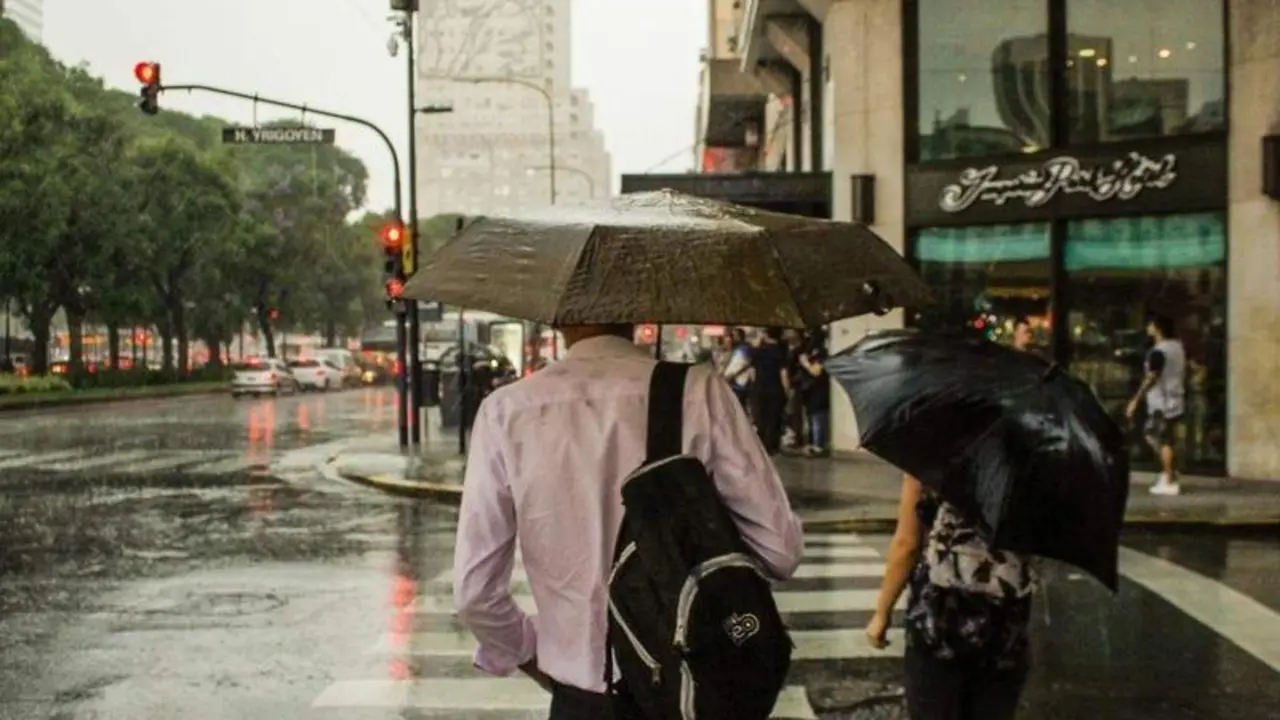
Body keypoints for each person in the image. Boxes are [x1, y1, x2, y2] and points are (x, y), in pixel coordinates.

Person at [452, 323, 804, 719]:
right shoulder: (697, 392)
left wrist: (532, 652)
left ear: (556, 318)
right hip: (690, 690)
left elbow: (475, 594)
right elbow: (780, 550)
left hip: (582, 700)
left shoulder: (506, 411)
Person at [867, 475, 1036, 719]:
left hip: (941, 618)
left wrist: (882, 614)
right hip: (1005, 623)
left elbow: (907, 544)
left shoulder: (931, 458)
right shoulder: (1033, 467)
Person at [1126, 314, 1186, 496]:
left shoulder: (1159, 351)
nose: (1148, 328)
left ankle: (1169, 478)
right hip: (1175, 398)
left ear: (1158, 328)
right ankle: (1169, 472)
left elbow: (1152, 376)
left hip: (1162, 402)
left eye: (1151, 325)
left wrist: (1136, 399)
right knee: (1158, 436)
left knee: (1159, 437)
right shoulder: (1178, 347)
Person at [749, 327, 790, 455]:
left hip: (759, 388)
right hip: (776, 388)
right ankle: (772, 446)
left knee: (760, 418)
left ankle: (761, 445)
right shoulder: (782, 351)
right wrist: (786, 390)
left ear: (766, 335)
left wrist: (757, 341)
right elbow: (783, 373)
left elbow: (752, 371)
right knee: (774, 418)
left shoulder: (757, 351)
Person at [798, 340, 831, 457]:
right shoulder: (811, 356)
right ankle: (813, 443)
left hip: (819, 392)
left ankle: (819, 445)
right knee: (812, 418)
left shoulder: (822, 357)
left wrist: (805, 363)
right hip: (810, 393)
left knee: (818, 419)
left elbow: (816, 371)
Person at [721, 327, 754, 411]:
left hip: (740, 384)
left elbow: (748, 363)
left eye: (734, 336)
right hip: (732, 384)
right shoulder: (735, 349)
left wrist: (734, 374)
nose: (732, 338)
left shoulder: (745, 348)